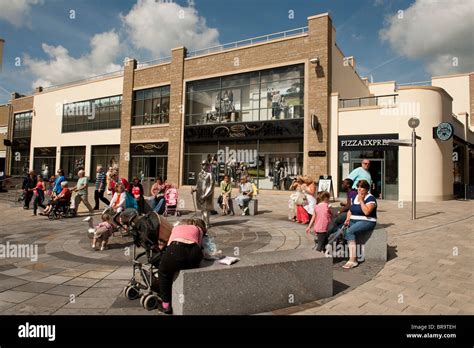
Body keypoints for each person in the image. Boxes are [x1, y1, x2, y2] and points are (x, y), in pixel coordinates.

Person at [158, 218, 206, 314]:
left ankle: (166, 305)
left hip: (176, 249)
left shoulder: (176, 228)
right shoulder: (198, 229)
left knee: (163, 273)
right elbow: (200, 245)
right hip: (194, 253)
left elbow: (168, 244)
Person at [342, 180, 377, 269]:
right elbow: (350, 210)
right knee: (341, 230)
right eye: (358, 187)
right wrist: (347, 218)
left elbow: (367, 212)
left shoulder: (370, 198)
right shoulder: (354, 197)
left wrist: (361, 201)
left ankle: (353, 260)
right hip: (354, 220)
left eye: (362, 187)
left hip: (367, 221)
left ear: (367, 189)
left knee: (349, 232)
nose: (359, 189)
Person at [192, 160, 214, 227]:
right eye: (203, 164)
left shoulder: (210, 174)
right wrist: (194, 189)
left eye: (205, 165)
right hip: (199, 194)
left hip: (206, 195)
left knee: (206, 210)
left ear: (208, 166)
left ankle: (206, 223)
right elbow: (198, 184)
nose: (204, 166)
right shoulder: (199, 174)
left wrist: (206, 195)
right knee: (202, 210)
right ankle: (203, 222)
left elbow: (211, 186)